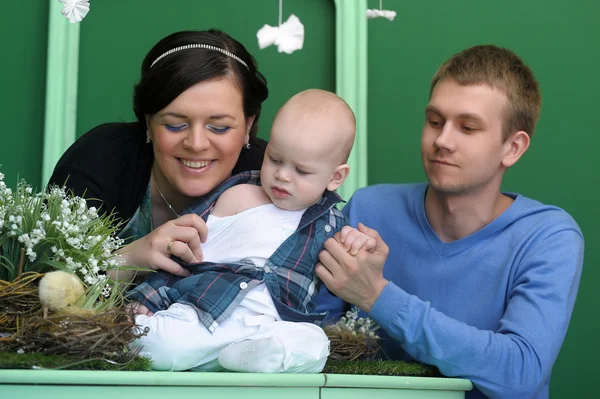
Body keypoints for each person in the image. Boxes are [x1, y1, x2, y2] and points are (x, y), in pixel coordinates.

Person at [315, 45, 584, 399]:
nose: (442, 140)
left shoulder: (548, 237)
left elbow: (520, 372)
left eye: (468, 128)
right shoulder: (368, 209)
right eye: (435, 121)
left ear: (513, 148)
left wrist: (377, 295)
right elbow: (312, 340)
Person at [127, 89, 375, 373]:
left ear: (335, 177)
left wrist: (358, 245)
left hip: (271, 329)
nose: (282, 175)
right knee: (162, 346)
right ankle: (154, 339)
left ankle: (251, 357)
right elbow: (182, 251)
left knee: (316, 343)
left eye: (301, 171)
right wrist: (146, 297)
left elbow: (349, 273)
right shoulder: (237, 195)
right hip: (207, 314)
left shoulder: (331, 224)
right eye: (275, 159)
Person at [48, 29, 269, 281]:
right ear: (148, 122)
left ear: (248, 126)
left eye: (219, 127)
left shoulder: (275, 177)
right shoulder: (100, 159)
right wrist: (127, 260)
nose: (196, 144)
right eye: (176, 124)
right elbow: (38, 282)